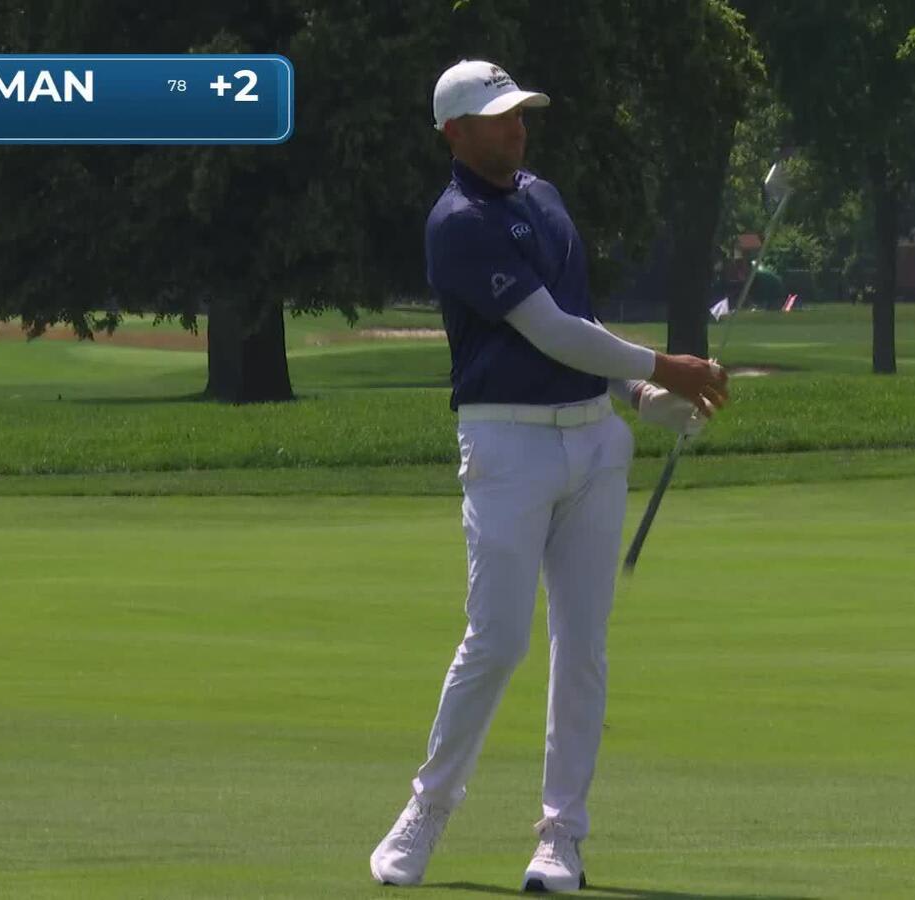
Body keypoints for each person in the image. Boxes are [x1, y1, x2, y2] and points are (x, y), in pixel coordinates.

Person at [369, 60, 729, 893]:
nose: (516, 127)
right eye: (497, 117)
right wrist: (663, 365)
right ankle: (427, 810)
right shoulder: (456, 223)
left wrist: (638, 393)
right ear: (453, 132)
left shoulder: (547, 197)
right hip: (507, 448)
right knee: (496, 640)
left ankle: (560, 837)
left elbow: (580, 324)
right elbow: (546, 333)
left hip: (592, 445)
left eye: (520, 113)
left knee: (583, 647)